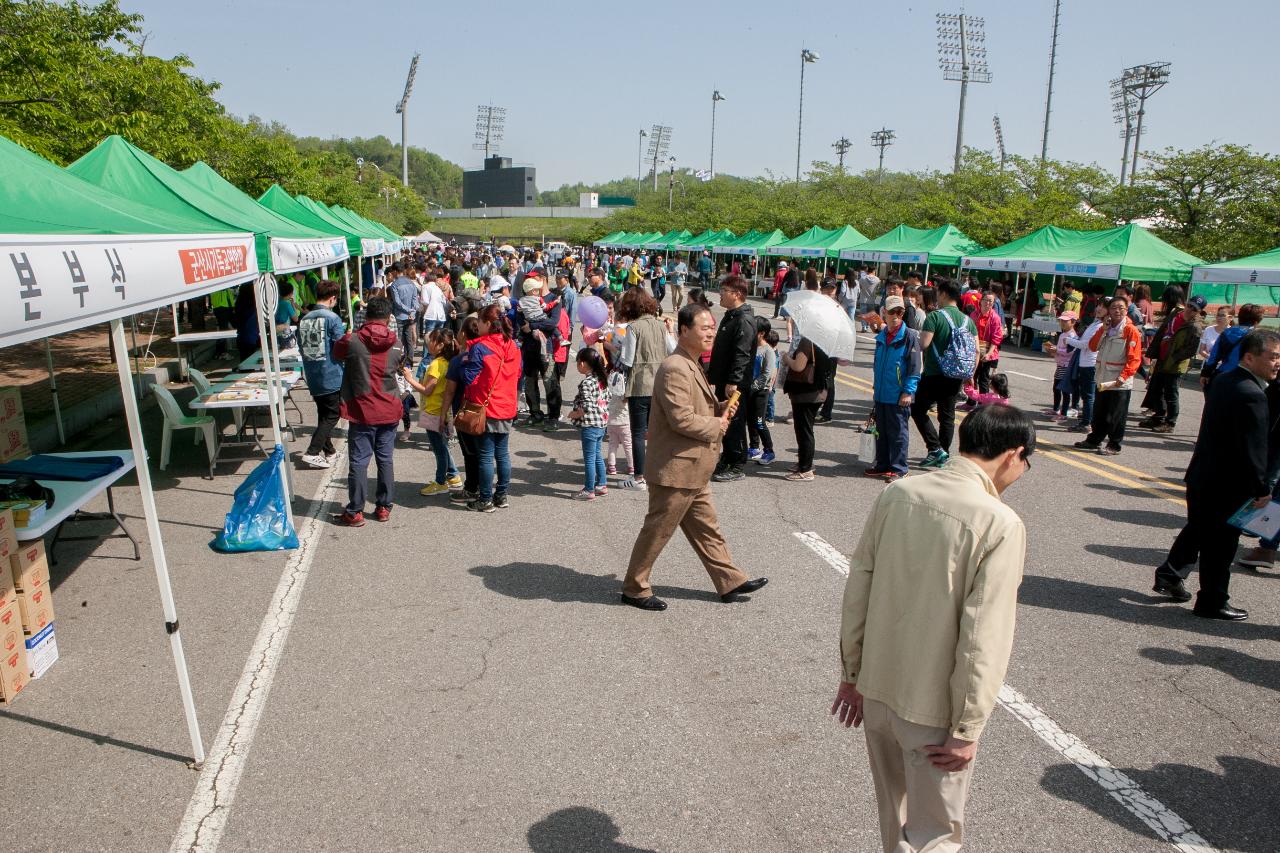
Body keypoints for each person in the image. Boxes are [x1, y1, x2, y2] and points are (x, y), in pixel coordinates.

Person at [832, 405, 1033, 853]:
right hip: (933, 712)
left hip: (877, 691)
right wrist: (967, 727)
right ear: (1013, 455)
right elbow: (983, 636)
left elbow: (859, 586)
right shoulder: (1000, 523)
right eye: (1025, 463)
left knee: (895, 821)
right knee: (934, 836)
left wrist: (852, 675)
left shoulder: (899, 493)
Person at [621, 304, 769, 611]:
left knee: (707, 527)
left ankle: (729, 580)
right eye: (704, 328)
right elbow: (681, 419)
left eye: (712, 327)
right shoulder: (675, 366)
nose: (711, 333)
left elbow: (695, 410)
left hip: (694, 467)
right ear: (684, 330)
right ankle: (634, 588)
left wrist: (720, 407)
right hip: (675, 468)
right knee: (658, 530)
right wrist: (717, 424)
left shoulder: (691, 362)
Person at [1152, 330, 1280, 620]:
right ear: (1250, 356)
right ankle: (1212, 600)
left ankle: (1172, 576)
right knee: (1221, 547)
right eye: (1272, 357)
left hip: (1204, 478)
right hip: (1227, 485)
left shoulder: (1227, 380)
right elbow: (1253, 450)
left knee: (1200, 531)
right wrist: (1261, 489)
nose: (1277, 362)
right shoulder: (1251, 395)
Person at [332, 296, 403, 527]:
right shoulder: (396, 343)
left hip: (362, 409)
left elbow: (336, 352)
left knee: (360, 460)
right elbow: (398, 364)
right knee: (385, 459)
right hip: (389, 406)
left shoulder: (352, 340)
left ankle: (355, 511)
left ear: (366, 315)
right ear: (389, 317)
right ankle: (383, 506)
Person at [460, 305, 522, 513]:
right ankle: (501, 495)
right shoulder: (513, 346)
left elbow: (470, 378)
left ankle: (485, 499)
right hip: (507, 405)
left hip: (486, 407)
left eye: (479, 322)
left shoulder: (480, 348)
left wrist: (462, 361)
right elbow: (518, 373)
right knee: (502, 454)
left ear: (488, 323)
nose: (478, 326)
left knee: (486, 455)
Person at [912, 279, 976, 468]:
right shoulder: (968, 320)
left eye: (938, 293)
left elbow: (924, 344)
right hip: (956, 374)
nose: (936, 297)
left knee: (917, 409)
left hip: (934, 373)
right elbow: (976, 350)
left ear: (945, 294)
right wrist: (970, 372)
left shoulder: (934, 317)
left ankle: (934, 448)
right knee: (947, 416)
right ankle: (944, 453)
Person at [618, 288, 676, 491]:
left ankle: (639, 478)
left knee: (637, 432)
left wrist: (614, 348)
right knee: (657, 431)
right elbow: (672, 349)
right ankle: (659, 472)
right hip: (660, 385)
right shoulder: (661, 326)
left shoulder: (633, 328)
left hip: (640, 384)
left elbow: (627, 359)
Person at [1074, 295, 1142, 456]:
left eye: (1121, 308)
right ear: (1108, 311)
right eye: (1113, 308)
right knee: (1100, 412)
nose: (1117, 311)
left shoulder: (1130, 330)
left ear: (1126, 310)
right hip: (1103, 378)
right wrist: (1103, 330)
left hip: (1119, 381)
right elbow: (1092, 346)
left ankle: (1114, 444)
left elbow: (1134, 358)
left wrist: (1123, 378)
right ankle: (1094, 440)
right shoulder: (1105, 328)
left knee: (1116, 415)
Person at [866, 296, 921, 482]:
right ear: (885, 313)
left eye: (900, 312)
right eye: (892, 312)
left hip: (898, 394)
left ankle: (899, 468)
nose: (896, 315)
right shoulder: (882, 336)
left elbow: (914, 367)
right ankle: (882, 464)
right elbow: (877, 363)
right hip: (882, 392)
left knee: (898, 433)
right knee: (881, 432)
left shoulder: (909, 336)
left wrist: (908, 391)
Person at [708, 275, 757, 482]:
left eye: (724, 290)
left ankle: (737, 463)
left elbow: (742, 353)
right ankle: (727, 457)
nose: (720, 294)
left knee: (734, 422)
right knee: (725, 420)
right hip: (723, 378)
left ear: (736, 294)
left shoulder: (744, 319)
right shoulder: (731, 315)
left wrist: (733, 380)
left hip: (734, 382)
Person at [298, 280, 347, 469]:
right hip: (331, 373)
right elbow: (340, 347)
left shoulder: (305, 318)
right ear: (333, 298)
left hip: (312, 372)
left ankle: (329, 451)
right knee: (333, 414)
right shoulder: (332, 318)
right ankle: (312, 451)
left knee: (323, 414)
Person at [1139, 292, 1203, 434]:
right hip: (1162, 358)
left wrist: (1174, 357)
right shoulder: (1176, 315)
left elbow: (1191, 350)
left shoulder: (1194, 327)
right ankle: (1158, 417)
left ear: (1199, 312)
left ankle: (1170, 422)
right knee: (1156, 390)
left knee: (1171, 394)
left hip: (1175, 364)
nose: (1190, 309)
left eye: (1194, 309)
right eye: (1189, 305)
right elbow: (1162, 331)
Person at [413, 329, 463, 496]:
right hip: (441, 409)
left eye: (432, 340)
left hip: (432, 410)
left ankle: (440, 482)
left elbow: (427, 390)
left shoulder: (435, 364)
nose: (428, 342)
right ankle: (453, 475)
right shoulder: (447, 362)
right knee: (442, 446)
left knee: (439, 448)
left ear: (441, 345)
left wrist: (409, 378)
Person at [781, 333, 830, 482]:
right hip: (819, 390)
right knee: (806, 429)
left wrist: (786, 358)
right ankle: (804, 462)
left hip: (806, 392)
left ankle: (806, 469)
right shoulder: (825, 339)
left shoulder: (807, 341)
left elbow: (798, 365)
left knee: (804, 430)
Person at [568, 347, 611, 500]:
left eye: (578, 362)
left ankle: (589, 489)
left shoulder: (587, 382)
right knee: (597, 455)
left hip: (590, 425)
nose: (578, 365)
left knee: (589, 458)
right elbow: (608, 399)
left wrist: (574, 413)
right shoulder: (601, 379)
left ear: (584, 364)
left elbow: (586, 407)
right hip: (601, 423)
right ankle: (602, 484)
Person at [1200, 303, 1263, 387]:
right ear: (1256, 322)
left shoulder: (1226, 333)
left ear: (1239, 317)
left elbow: (1214, 356)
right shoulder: (1258, 337)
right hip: (1246, 380)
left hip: (1223, 375)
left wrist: (1206, 374)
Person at [747, 321, 779, 466]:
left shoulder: (768, 351)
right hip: (749, 391)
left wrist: (752, 386)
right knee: (751, 422)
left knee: (760, 422)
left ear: (761, 333)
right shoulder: (751, 347)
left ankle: (769, 451)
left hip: (761, 392)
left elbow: (766, 374)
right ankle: (754, 448)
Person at [1042, 311, 1080, 421]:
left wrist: (1057, 349)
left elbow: (1071, 351)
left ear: (1073, 322)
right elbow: (1061, 350)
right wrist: (1052, 350)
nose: (1062, 323)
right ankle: (1055, 409)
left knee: (1065, 390)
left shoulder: (1072, 336)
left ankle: (1063, 414)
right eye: (1061, 320)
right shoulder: (1063, 334)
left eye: (1065, 321)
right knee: (1056, 388)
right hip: (1060, 365)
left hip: (1067, 366)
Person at [605, 356, 633, 479]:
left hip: (611, 422)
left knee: (612, 444)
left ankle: (611, 466)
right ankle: (632, 466)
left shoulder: (609, 392)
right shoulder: (624, 395)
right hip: (624, 422)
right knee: (628, 445)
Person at [973, 291, 1004, 394]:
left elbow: (997, 337)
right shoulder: (974, 314)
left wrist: (989, 353)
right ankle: (971, 401)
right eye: (986, 300)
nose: (988, 303)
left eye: (991, 301)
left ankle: (983, 404)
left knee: (983, 379)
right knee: (972, 376)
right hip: (974, 350)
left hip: (988, 350)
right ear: (980, 301)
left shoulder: (995, 318)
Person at [389, 263, 420, 361]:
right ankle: (409, 361)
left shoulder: (394, 285)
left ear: (394, 271)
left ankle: (399, 361)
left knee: (399, 339)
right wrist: (412, 312)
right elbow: (415, 301)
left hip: (399, 316)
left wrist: (408, 310)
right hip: (410, 316)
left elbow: (397, 302)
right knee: (408, 339)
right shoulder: (411, 283)